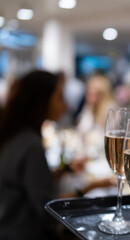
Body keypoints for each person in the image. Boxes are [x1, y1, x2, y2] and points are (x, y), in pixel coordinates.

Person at [0, 70, 113, 240]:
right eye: (60, 98)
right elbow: (49, 211)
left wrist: (64, 169)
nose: (66, 105)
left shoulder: (17, 135)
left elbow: (29, 183)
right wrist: (91, 187)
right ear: (41, 101)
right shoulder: (31, 146)